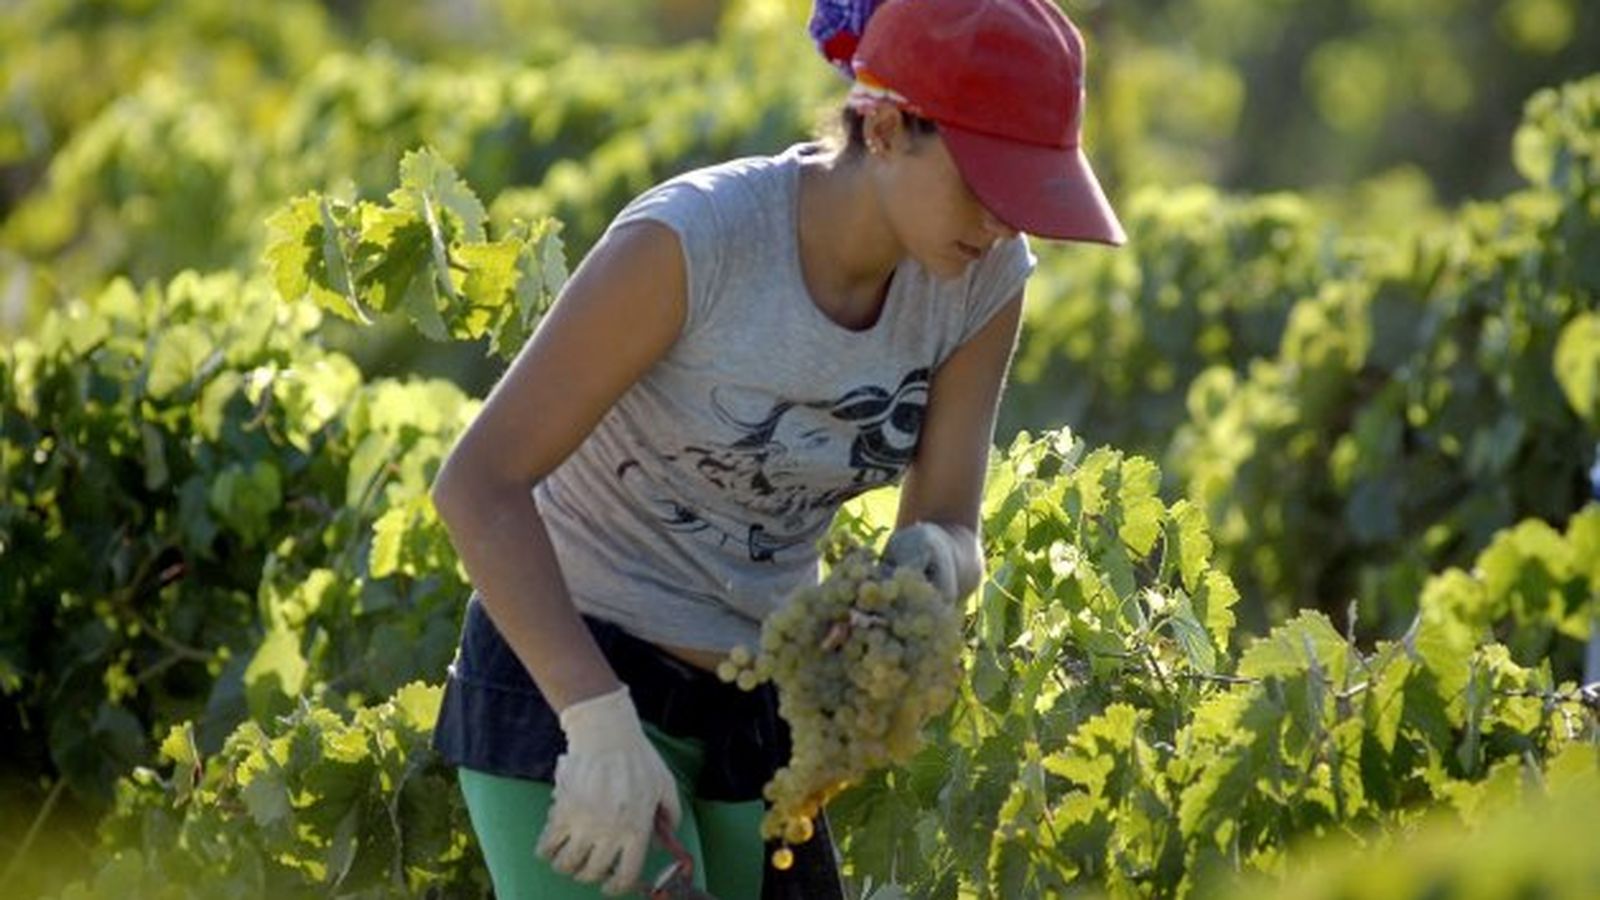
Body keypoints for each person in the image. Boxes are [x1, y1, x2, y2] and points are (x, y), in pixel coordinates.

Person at [427, 0, 1126, 896]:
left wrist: (926, 565)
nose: (1000, 220)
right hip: (569, 676)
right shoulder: (695, 243)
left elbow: (952, 521)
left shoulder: (983, 280)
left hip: (755, 702)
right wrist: (597, 722)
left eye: (1025, 192)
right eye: (984, 182)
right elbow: (477, 485)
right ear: (882, 127)